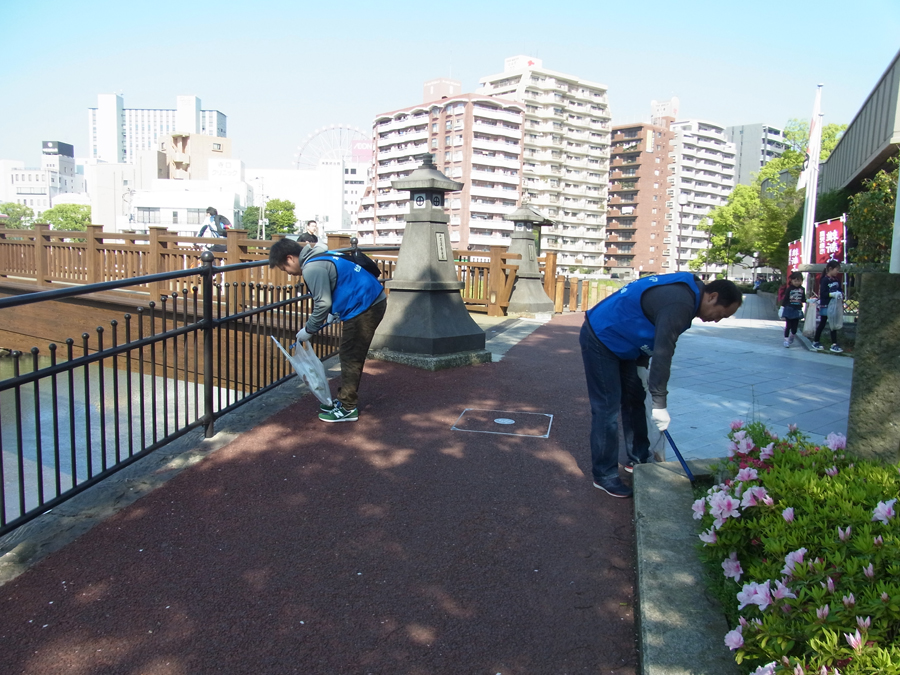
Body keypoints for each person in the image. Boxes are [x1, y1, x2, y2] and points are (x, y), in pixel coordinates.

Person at [580, 273, 743, 498]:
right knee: (606, 408)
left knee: (635, 398)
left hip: (626, 343)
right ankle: (604, 474)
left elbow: (651, 331)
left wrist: (640, 364)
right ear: (712, 296)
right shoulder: (680, 304)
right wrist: (659, 404)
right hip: (601, 336)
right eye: (721, 314)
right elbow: (663, 354)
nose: (717, 320)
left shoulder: (689, 296)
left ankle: (638, 459)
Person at [268, 237, 387, 423]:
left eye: (284, 268)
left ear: (290, 258)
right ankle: (344, 400)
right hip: (369, 300)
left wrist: (309, 329)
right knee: (349, 353)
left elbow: (322, 302)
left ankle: (348, 408)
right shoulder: (321, 256)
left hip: (365, 305)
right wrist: (335, 312)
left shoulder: (311, 268)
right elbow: (338, 283)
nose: (288, 273)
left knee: (350, 356)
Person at [812, 260, 844, 353]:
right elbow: (823, 293)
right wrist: (832, 294)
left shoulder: (836, 280)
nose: (837, 272)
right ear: (830, 269)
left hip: (834, 305)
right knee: (823, 323)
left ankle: (834, 343)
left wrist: (840, 294)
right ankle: (816, 341)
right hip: (826, 304)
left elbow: (840, 289)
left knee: (833, 324)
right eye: (836, 269)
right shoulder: (825, 280)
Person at [779, 271, 806, 348]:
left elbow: (803, 299)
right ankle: (786, 340)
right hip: (789, 308)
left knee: (795, 327)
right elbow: (785, 299)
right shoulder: (789, 289)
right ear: (791, 280)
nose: (797, 282)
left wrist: (809, 301)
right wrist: (782, 307)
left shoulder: (802, 289)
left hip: (797, 309)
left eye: (799, 280)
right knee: (788, 325)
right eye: (795, 281)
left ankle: (792, 335)